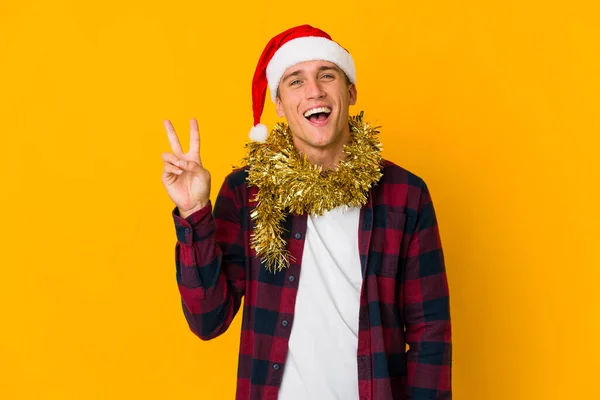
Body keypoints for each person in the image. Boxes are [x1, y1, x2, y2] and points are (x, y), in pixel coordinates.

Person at [161, 25, 452, 400]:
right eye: (295, 81)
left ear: (350, 92)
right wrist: (194, 210)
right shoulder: (246, 191)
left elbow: (431, 333)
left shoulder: (405, 194)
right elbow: (207, 319)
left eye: (326, 75)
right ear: (279, 105)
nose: (314, 90)